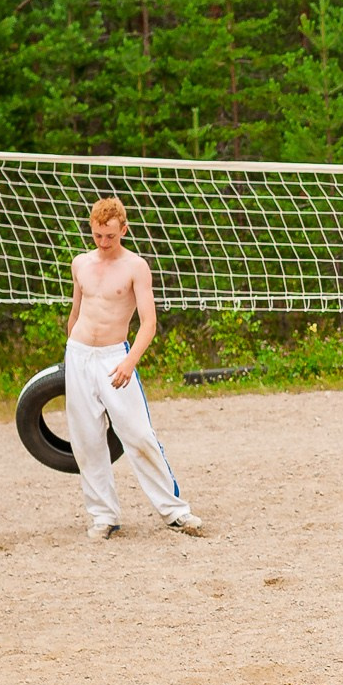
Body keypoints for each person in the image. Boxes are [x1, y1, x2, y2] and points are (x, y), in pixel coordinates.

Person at [64, 197, 201, 539]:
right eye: (97, 235)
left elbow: (149, 323)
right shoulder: (80, 263)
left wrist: (129, 361)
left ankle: (174, 511)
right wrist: (69, 356)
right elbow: (76, 313)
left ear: (123, 229)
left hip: (115, 357)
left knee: (138, 434)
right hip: (79, 354)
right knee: (86, 439)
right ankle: (103, 516)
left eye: (110, 235)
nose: (104, 242)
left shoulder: (135, 267)